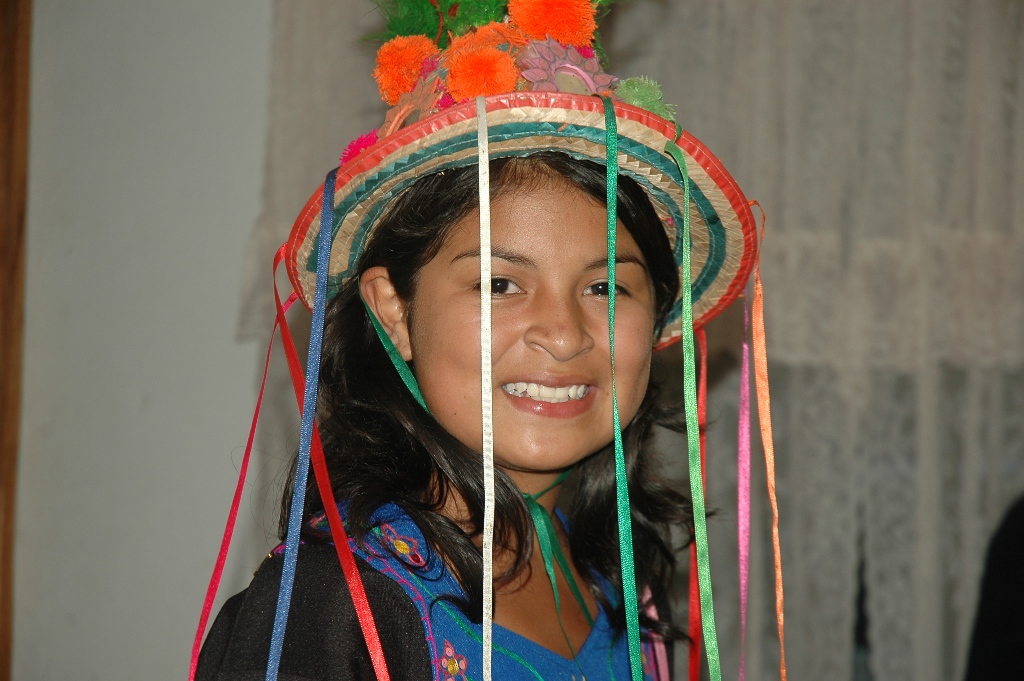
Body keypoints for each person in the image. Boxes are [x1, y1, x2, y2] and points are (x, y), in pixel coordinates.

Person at [193, 1, 759, 680]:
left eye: (607, 288)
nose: (562, 333)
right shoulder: (334, 610)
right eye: (499, 283)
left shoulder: (622, 593)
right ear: (394, 310)